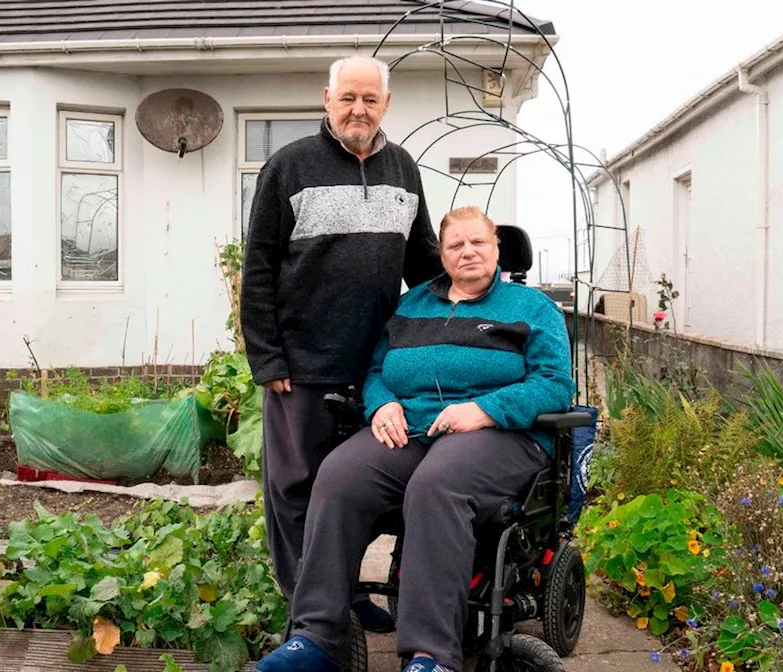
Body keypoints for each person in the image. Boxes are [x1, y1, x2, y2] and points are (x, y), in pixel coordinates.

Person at [254, 206, 576, 672]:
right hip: (416, 431)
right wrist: (382, 402)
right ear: (441, 255)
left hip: (503, 435)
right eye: (455, 245)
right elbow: (379, 370)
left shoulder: (532, 309)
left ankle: (430, 656)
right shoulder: (412, 306)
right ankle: (317, 638)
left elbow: (554, 384)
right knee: (340, 476)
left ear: (496, 248)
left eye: (478, 242)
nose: (468, 252)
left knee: (437, 484)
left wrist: (484, 410)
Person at [240, 54, 444, 631]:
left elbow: (423, 259)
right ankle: (309, 617)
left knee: (354, 494)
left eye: (370, 99)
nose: (359, 109)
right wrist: (267, 355)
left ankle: (345, 597)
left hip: (378, 369)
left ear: (385, 105)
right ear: (326, 99)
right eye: (347, 97)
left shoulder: (403, 168)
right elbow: (257, 268)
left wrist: (479, 290)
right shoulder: (288, 167)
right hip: (301, 367)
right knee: (296, 489)